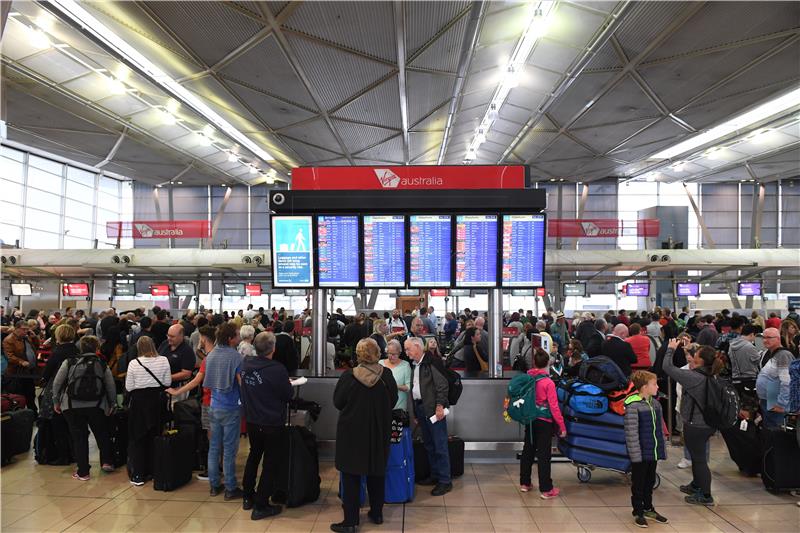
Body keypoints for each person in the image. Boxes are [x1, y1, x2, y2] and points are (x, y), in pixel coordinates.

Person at [332, 338, 398, 533]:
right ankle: (377, 513)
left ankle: (351, 521)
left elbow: (338, 402)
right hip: (378, 431)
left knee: (351, 476)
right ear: (378, 353)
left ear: (358, 355)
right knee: (377, 472)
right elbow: (393, 400)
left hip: (351, 433)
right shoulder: (386, 375)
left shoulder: (348, 377)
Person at [239, 332, 293, 520]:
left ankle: (247, 496)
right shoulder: (277, 369)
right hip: (271, 422)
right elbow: (288, 395)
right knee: (270, 462)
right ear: (273, 348)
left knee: (254, 456)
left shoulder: (246, 364)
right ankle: (261, 503)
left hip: (252, 421)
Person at [662, 339, 721, 505]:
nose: (693, 355)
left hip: (696, 424)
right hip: (706, 423)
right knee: (697, 457)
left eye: (695, 354)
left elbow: (667, 368)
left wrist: (671, 349)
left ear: (700, 359)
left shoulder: (694, 377)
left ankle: (706, 495)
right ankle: (696, 485)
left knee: (699, 459)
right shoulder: (710, 373)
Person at [52, 335, 116, 481]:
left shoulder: (69, 362)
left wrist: (56, 401)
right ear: (96, 348)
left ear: (80, 347)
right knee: (101, 433)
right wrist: (112, 403)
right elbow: (110, 384)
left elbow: (57, 383)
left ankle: (83, 472)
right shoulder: (101, 362)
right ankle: (107, 461)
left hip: (71, 406)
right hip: (97, 405)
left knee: (79, 438)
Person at [167, 325, 216, 480]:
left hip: (209, 402)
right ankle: (220, 470)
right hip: (225, 403)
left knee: (211, 438)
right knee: (223, 440)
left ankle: (212, 472)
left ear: (203, 339)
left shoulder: (209, 359)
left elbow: (195, 381)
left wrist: (176, 392)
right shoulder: (224, 355)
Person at [406, 336, 451, 496]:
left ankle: (445, 481)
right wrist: (416, 412)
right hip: (421, 408)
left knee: (440, 446)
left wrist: (439, 406)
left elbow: (442, 385)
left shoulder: (432, 362)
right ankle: (435, 476)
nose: (407, 352)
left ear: (417, 347)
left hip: (434, 410)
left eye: (408, 349)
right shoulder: (416, 365)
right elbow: (415, 387)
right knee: (429, 445)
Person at [204, 323, 244, 499]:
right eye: (237, 335)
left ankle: (214, 485)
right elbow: (241, 382)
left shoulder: (211, 355)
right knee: (229, 450)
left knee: (214, 448)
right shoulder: (236, 357)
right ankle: (230, 487)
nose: (239, 337)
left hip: (214, 405)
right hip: (230, 407)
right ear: (230, 338)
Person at [519, 347, 566, 499]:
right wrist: (562, 426)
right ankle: (546, 489)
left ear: (534, 363)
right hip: (544, 421)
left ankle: (525, 483)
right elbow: (554, 406)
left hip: (530, 419)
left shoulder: (528, 378)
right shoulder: (548, 383)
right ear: (547, 364)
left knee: (528, 450)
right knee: (544, 455)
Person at [624, 370, 669, 528]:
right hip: (640, 452)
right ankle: (638, 511)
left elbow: (659, 428)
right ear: (644, 387)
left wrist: (662, 446)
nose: (657, 386)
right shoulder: (633, 405)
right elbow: (631, 432)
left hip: (653, 451)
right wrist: (635, 454)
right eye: (654, 384)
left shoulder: (655, 404)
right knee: (639, 482)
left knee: (649, 481)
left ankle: (648, 507)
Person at [125, 336, 171, 486]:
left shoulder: (134, 363)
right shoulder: (164, 360)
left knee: (138, 438)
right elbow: (167, 382)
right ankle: (155, 471)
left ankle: (138, 474)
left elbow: (129, 386)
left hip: (139, 403)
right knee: (155, 436)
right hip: (157, 402)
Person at [39, 323, 79, 465]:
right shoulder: (77, 350)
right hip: (76, 392)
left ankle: (62, 456)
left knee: (58, 425)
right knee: (73, 426)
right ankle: (74, 454)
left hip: (58, 391)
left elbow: (47, 374)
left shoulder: (58, 352)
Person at [756, 328, 793, 430]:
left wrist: (782, 404)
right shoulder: (767, 353)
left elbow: (787, 382)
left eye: (769, 338)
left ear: (778, 339)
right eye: (764, 337)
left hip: (776, 400)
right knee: (769, 430)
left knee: (775, 432)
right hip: (768, 398)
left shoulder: (784, 355)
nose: (765, 340)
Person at [3, 318, 40, 416]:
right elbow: (10, 356)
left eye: (27, 329)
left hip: (29, 373)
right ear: (16, 328)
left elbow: (37, 346)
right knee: (18, 397)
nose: (26, 331)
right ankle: (17, 418)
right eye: (24, 329)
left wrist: (34, 337)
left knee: (31, 395)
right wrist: (21, 362)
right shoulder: (9, 340)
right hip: (16, 374)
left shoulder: (27, 337)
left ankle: (34, 416)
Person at [380, 339, 412, 413]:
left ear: (399, 353)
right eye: (389, 353)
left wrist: (394, 386)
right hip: (382, 405)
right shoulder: (380, 363)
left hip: (399, 406)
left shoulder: (405, 365)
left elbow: (409, 387)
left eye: (394, 354)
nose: (391, 356)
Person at [728, 324, 762, 389]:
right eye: (755, 336)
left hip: (736, 379)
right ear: (752, 334)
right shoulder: (750, 347)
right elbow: (758, 362)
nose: (755, 339)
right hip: (750, 380)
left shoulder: (731, 346)